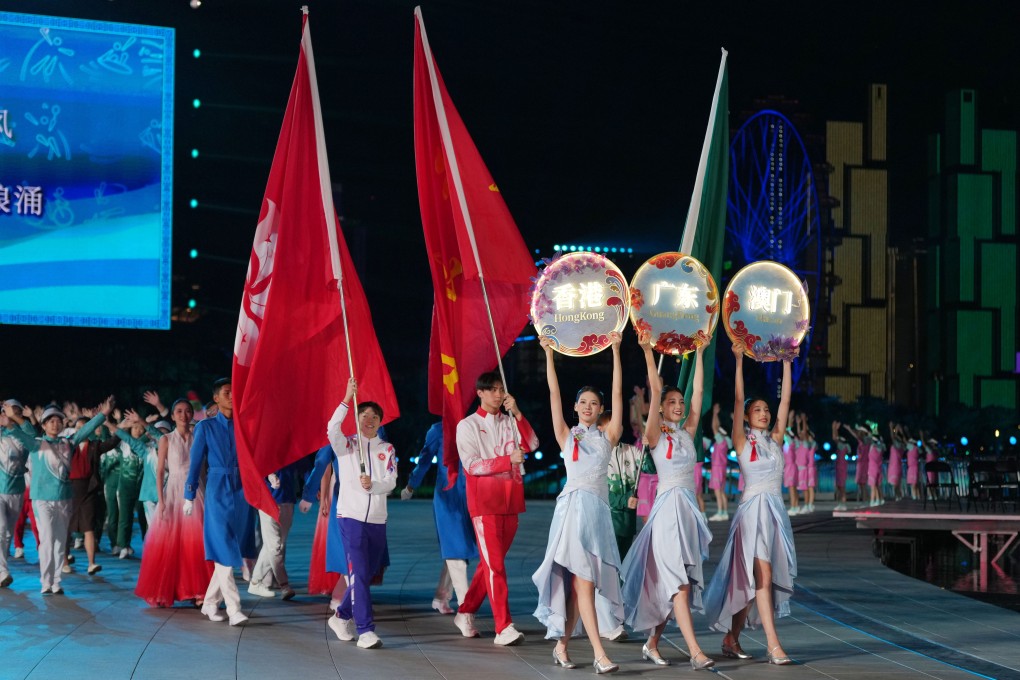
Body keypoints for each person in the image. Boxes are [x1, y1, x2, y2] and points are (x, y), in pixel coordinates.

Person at [533, 331, 624, 674]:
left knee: (579, 587)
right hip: (571, 513)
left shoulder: (608, 436)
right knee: (583, 582)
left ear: (601, 410)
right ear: (575, 408)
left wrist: (616, 350)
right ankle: (600, 654)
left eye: (594, 404)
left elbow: (618, 391)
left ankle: (561, 646)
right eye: (583, 402)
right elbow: (553, 393)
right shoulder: (566, 435)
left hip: (597, 515)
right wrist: (548, 355)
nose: (588, 407)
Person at [621, 336, 715, 670]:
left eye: (680, 401)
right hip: (665, 513)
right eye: (671, 401)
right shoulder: (655, 435)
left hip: (687, 512)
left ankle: (652, 642)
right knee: (679, 584)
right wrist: (648, 352)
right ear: (660, 406)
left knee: (677, 583)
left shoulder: (687, 432)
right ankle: (695, 652)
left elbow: (699, 394)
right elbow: (656, 388)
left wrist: (700, 353)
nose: (678, 405)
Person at [703, 343, 797, 666]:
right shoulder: (741, 440)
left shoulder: (775, 440)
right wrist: (739, 361)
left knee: (752, 580)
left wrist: (787, 363)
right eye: (758, 411)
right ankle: (774, 645)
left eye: (766, 410)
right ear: (746, 416)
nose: (765, 414)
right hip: (751, 514)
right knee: (763, 576)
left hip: (774, 515)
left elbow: (786, 401)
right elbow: (738, 399)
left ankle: (732, 638)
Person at [453, 370, 539, 646]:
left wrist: (519, 414)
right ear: (480, 393)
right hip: (485, 503)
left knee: (491, 565)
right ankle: (504, 626)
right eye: (492, 389)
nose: (498, 394)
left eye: (501, 389)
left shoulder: (511, 420)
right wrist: (506, 460)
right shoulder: (467, 425)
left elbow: (532, 444)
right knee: (496, 567)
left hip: (511, 500)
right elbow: (471, 465)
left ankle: (465, 611)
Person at [6, 397, 113, 594]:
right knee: (47, 539)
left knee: (60, 540)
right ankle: (46, 582)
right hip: (42, 499)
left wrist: (103, 414)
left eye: (58, 421)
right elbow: (20, 434)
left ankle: (56, 581)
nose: (55, 424)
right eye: (51, 421)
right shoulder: (37, 444)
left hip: (64, 498)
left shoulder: (68, 443)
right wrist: (11, 420)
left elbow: (86, 430)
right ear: (44, 425)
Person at [325, 379, 396, 650]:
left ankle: (341, 616)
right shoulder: (346, 446)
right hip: (350, 517)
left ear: (380, 422)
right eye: (364, 415)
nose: (369, 420)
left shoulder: (386, 449)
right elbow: (332, 428)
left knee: (365, 574)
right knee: (360, 573)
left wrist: (373, 485)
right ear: (356, 419)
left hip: (377, 520)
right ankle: (366, 630)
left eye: (374, 416)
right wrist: (346, 400)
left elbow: (391, 481)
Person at [184, 378, 257, 626]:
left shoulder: (245, 426)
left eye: (235, 391)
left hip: (242, 491)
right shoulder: (205, 427)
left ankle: (209, 603)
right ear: (216, 398)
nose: (232, 395)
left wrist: (267, 477)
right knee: (224, 548)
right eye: (227, 392)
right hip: (217, 489)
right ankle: (234, 609)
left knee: (231, 549)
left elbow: (254, 457)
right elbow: (195, 464)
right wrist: (189, 494)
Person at [135, 399, 213, 607]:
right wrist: (161, 501)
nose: (183, 415)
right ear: (172, 416)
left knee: (196, 540)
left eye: (187, 411)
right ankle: (164, 590)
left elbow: (204, 468)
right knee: (171, 541)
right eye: (179, 411)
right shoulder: (166, 439)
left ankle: (200, 591)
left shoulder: (199, 436)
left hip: (196, 491)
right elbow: (160, 471)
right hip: (173, 492)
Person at [401, 421, 477, 615]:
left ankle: (441, 597)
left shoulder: (473, 425)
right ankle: (466, 606)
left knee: (461, 550)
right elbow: (425, 459)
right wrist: (411, 484)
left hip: (471, 496)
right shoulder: (438, 429)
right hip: (447, 497)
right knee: (456, 549)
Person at [66, 413, 122, 575]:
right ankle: (64, 561)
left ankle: (91, 563)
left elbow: (111, 443)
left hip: (89, 489)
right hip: (69, 489)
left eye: (85, 427)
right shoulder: (67, 445)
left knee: (88, 526)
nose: (81, 430)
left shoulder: (94, 445)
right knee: (66, 527)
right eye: (78, 427)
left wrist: (121, 429)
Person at [300, 443, 346, 607]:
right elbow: (324, 466)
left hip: (361, 490)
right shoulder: (333, 432)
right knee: (337, 539)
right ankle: (339, 590)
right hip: (338, 489)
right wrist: (324, 497)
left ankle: (347, 589)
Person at [249, 462, 299, 600]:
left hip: (287, 499)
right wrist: (268, 475)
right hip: (267, 500)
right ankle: (284, 585)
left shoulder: (290, 448)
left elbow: (303, 465)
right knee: (275, 546)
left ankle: (255, 582)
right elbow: (254, 465)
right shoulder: (264, 449)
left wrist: (310, 491)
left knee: (275, 546)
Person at [0, 402, 29, 588]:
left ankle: (1, 569)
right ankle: (3, 571)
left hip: (16, 490)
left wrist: (13, 421)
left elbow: (32, 435)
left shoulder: (23, 435)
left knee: (7, 534)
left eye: (14, 412)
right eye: (5, 411)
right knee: (1, 528)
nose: (9, 414)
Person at [707, 404, 730, 521]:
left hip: (717, 468)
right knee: (721, 491)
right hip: (722, 468)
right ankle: (725, 513)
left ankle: (720, 512)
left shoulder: (721, 441)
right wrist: (716, 416)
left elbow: (714, 427)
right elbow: (717, 427)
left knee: (717, 491)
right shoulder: (726, 441)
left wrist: (715, 414)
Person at [832, 421, 850, 511]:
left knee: (842, 487)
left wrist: (834, 429)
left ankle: (843, 503)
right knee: (839, 487)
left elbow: (834, 438)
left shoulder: (843, 446)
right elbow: (836, 438)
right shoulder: (842, 446)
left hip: (842, 469)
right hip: (839, 468)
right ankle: (840, 503)